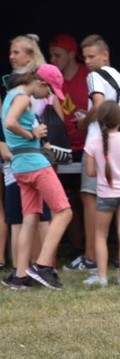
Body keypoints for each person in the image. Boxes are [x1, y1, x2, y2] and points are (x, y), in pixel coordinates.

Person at [1, 65, 73, 290]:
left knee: (30, 217)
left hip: (20, 166)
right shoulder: (23, 97)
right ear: (42, 83)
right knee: (64, 211)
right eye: (50, 91)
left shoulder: (9, 95)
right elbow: (10, 122)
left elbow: (10, 123)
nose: (49, 97)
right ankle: (42, 266)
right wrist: (33, 134)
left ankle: (20, 275)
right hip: (35, 163)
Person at [66, 34, 120, 272]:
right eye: (85, 57)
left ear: (105, 55)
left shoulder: (93, 77)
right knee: (116, 202)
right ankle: (114, 255)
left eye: (92, 56)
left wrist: (83, 122)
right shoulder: (119, 76)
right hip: (116, 142)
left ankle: (90, 256)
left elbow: (99, 106)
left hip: (96, 143)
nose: (88, 61)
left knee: (89, 200)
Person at [82, 100, 120, 286]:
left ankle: (102, 276)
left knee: (100, 235)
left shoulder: (92, 142)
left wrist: (103, 169)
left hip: (105, 194)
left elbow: (90, 172)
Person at [48, 34, 90, 263]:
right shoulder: (52, 79)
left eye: (57, 55)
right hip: (62, 147)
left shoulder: (87, 76)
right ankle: (77, 246)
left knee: (89, 198)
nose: (53, 59)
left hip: (87, 148)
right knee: (66, 198)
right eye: (51, 55)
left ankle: (91, 250)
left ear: (72, 54)